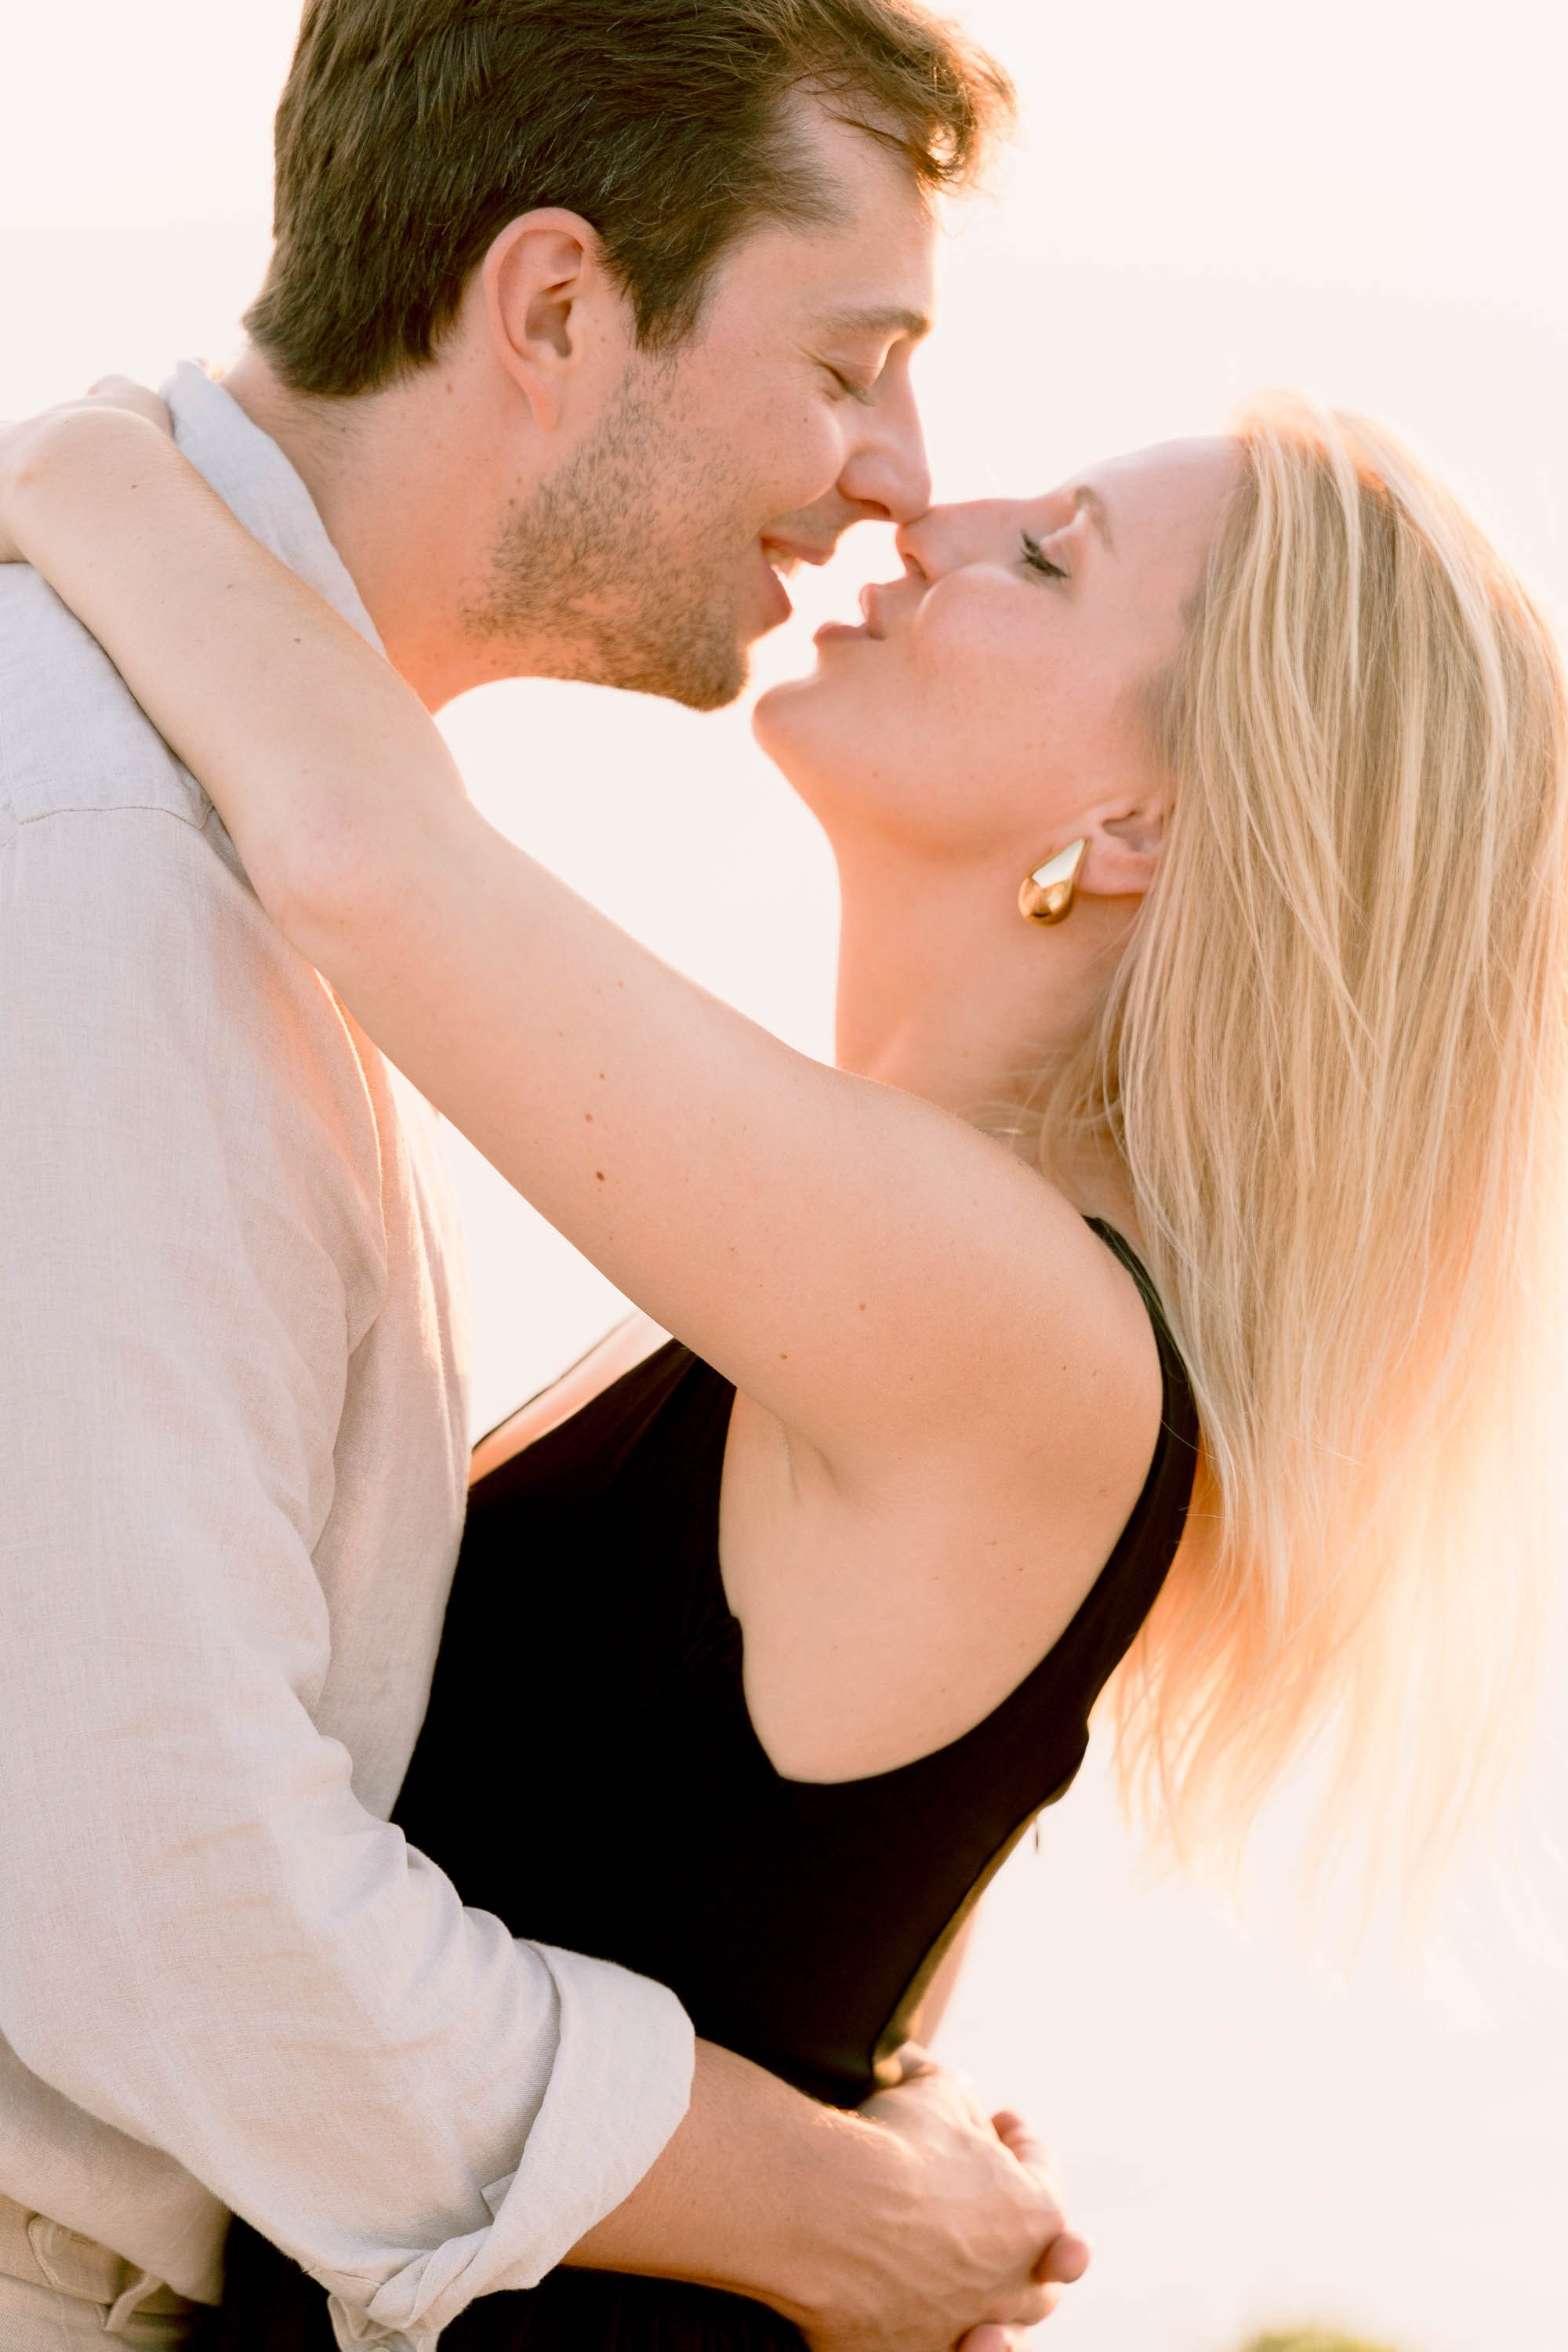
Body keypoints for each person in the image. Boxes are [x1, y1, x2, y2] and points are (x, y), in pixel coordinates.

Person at [5, 361, 1564, 2352]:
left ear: (1137, 824)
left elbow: (361, 854)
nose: (932, 520)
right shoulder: (944, 1310)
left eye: (1050, 557)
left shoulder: (1019, 1329)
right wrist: (858, 2170)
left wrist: (78, 464)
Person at [0, 4, 1089, 2349]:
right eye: (852, 358)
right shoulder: (99, 861)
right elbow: (159, 1880)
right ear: (559, 311)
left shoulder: (195, 801)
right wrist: (802, 2198)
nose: (897, 471)